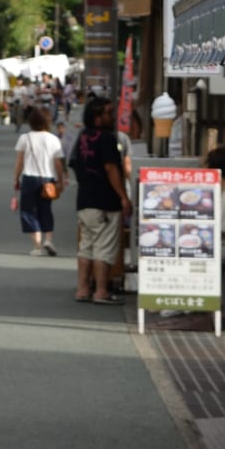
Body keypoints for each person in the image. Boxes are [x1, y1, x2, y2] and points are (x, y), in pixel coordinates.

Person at [69, 99, 132, 304]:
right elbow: (111, 168)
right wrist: (123, 196)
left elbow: (74, 163)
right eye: (108, 113)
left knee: (86, 246)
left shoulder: (83, 137)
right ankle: (101, 291)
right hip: (105, 201)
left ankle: (82, 289)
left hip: (84, 200)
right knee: (104, 247)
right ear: (97, 117)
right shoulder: (105, 138)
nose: (112, 117)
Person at [10, 105, 67, 256]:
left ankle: (37, 245)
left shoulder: (25, 138)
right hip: (48, 180)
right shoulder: (54, 139)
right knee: (45, 209)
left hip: (29, 179)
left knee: (29, 211)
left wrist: (16, 177)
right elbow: (58, 163)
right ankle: (48, 239)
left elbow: (20, 162)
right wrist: (61, 180)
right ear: (48, 121)